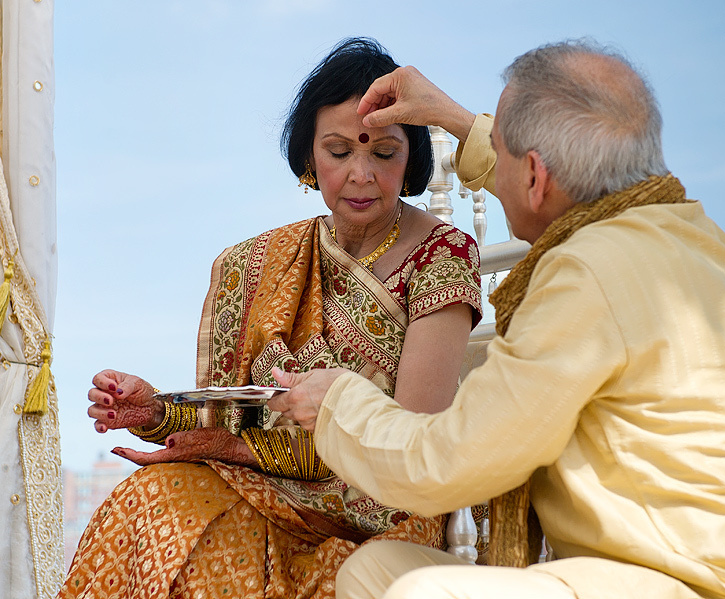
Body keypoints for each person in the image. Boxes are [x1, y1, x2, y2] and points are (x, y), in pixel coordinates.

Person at [268, 40, 725, 599]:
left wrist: (336, 403)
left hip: (692, 582)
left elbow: (447, 464)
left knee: (421, 593)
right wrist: (448, 114)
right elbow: (539, 174)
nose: (490, 177)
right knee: (372, 573)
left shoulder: (586, 275)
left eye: (498, 156)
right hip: (638, 566)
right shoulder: (690, 233)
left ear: (536, 178)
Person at [58, 38, 483, 599]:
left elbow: (408, 447)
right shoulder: (253, 265)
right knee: (149, 497)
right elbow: (230, 425)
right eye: (338, 152)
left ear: (411, 162)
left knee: (202, 533)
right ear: (309, 159)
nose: (360, 174)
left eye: (383, 154)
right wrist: (157, 411)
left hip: (379, 510)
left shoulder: (442, 253)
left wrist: (244, 454)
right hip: (261, 485)